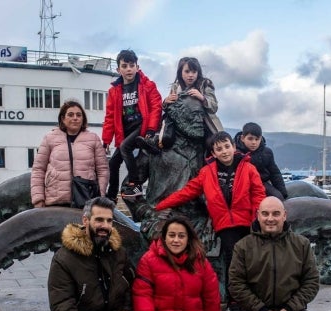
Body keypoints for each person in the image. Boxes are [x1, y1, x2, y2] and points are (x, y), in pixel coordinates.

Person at [155, 131, 265, 311]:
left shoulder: (248, 168)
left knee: (252, 260)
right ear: (213, 153)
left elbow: (258, 194)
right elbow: (187, 191)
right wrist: (160, 206)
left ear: (234, 147)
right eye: (219, 149)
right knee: (233, 260)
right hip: (225, 225)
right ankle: (234, 301)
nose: (224, 151)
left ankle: (254, 298)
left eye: (227, 146)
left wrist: (257, 218)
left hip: (247, 221)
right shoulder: (207, 173)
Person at [138, 57, 223, 205]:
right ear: (181, 72)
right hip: (180, 125)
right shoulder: (176, 86)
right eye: (187, 71)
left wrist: (201, 98)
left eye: (194, 71)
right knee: (167, 133)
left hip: (205, 126)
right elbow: (170, 108)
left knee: (212, 151)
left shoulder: (205, 84)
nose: (191, 75)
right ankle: (156, 140)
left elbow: (213, 106)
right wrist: (166, 102)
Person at [101, 49, 162, 202]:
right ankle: (111, 196)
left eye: (131, 65)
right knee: (113, 163)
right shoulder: (114, 91)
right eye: (124, 66)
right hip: (125, 131)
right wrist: (106, 140)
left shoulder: (147, 85)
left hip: (141, 128)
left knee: (124, 147)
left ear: (137, 66)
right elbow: (109, 116)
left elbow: (156, 106)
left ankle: (135, 183)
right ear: (118, 69)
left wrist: (151, 129)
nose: (128, 69)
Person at [31, 100, 108, 208]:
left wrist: (100, 196)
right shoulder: (50, 138)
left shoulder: (93, 139)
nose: (75, 118)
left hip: (86, 199)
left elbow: (102, 169)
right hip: (56, 199)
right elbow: (38, 169)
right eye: (70, 115)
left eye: (79, 115)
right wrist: (38, 199)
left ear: (83, 118)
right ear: (63, 118)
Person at [234, 122, 288, 199]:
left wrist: (282, 193)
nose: (254, 142)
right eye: (250, 138)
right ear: (243, 138)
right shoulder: (236, 153)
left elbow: (275, 173)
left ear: (261, 138)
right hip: (243, 184)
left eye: (257, 139)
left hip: (262, 182)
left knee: (278, 197)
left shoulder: (267, 153)